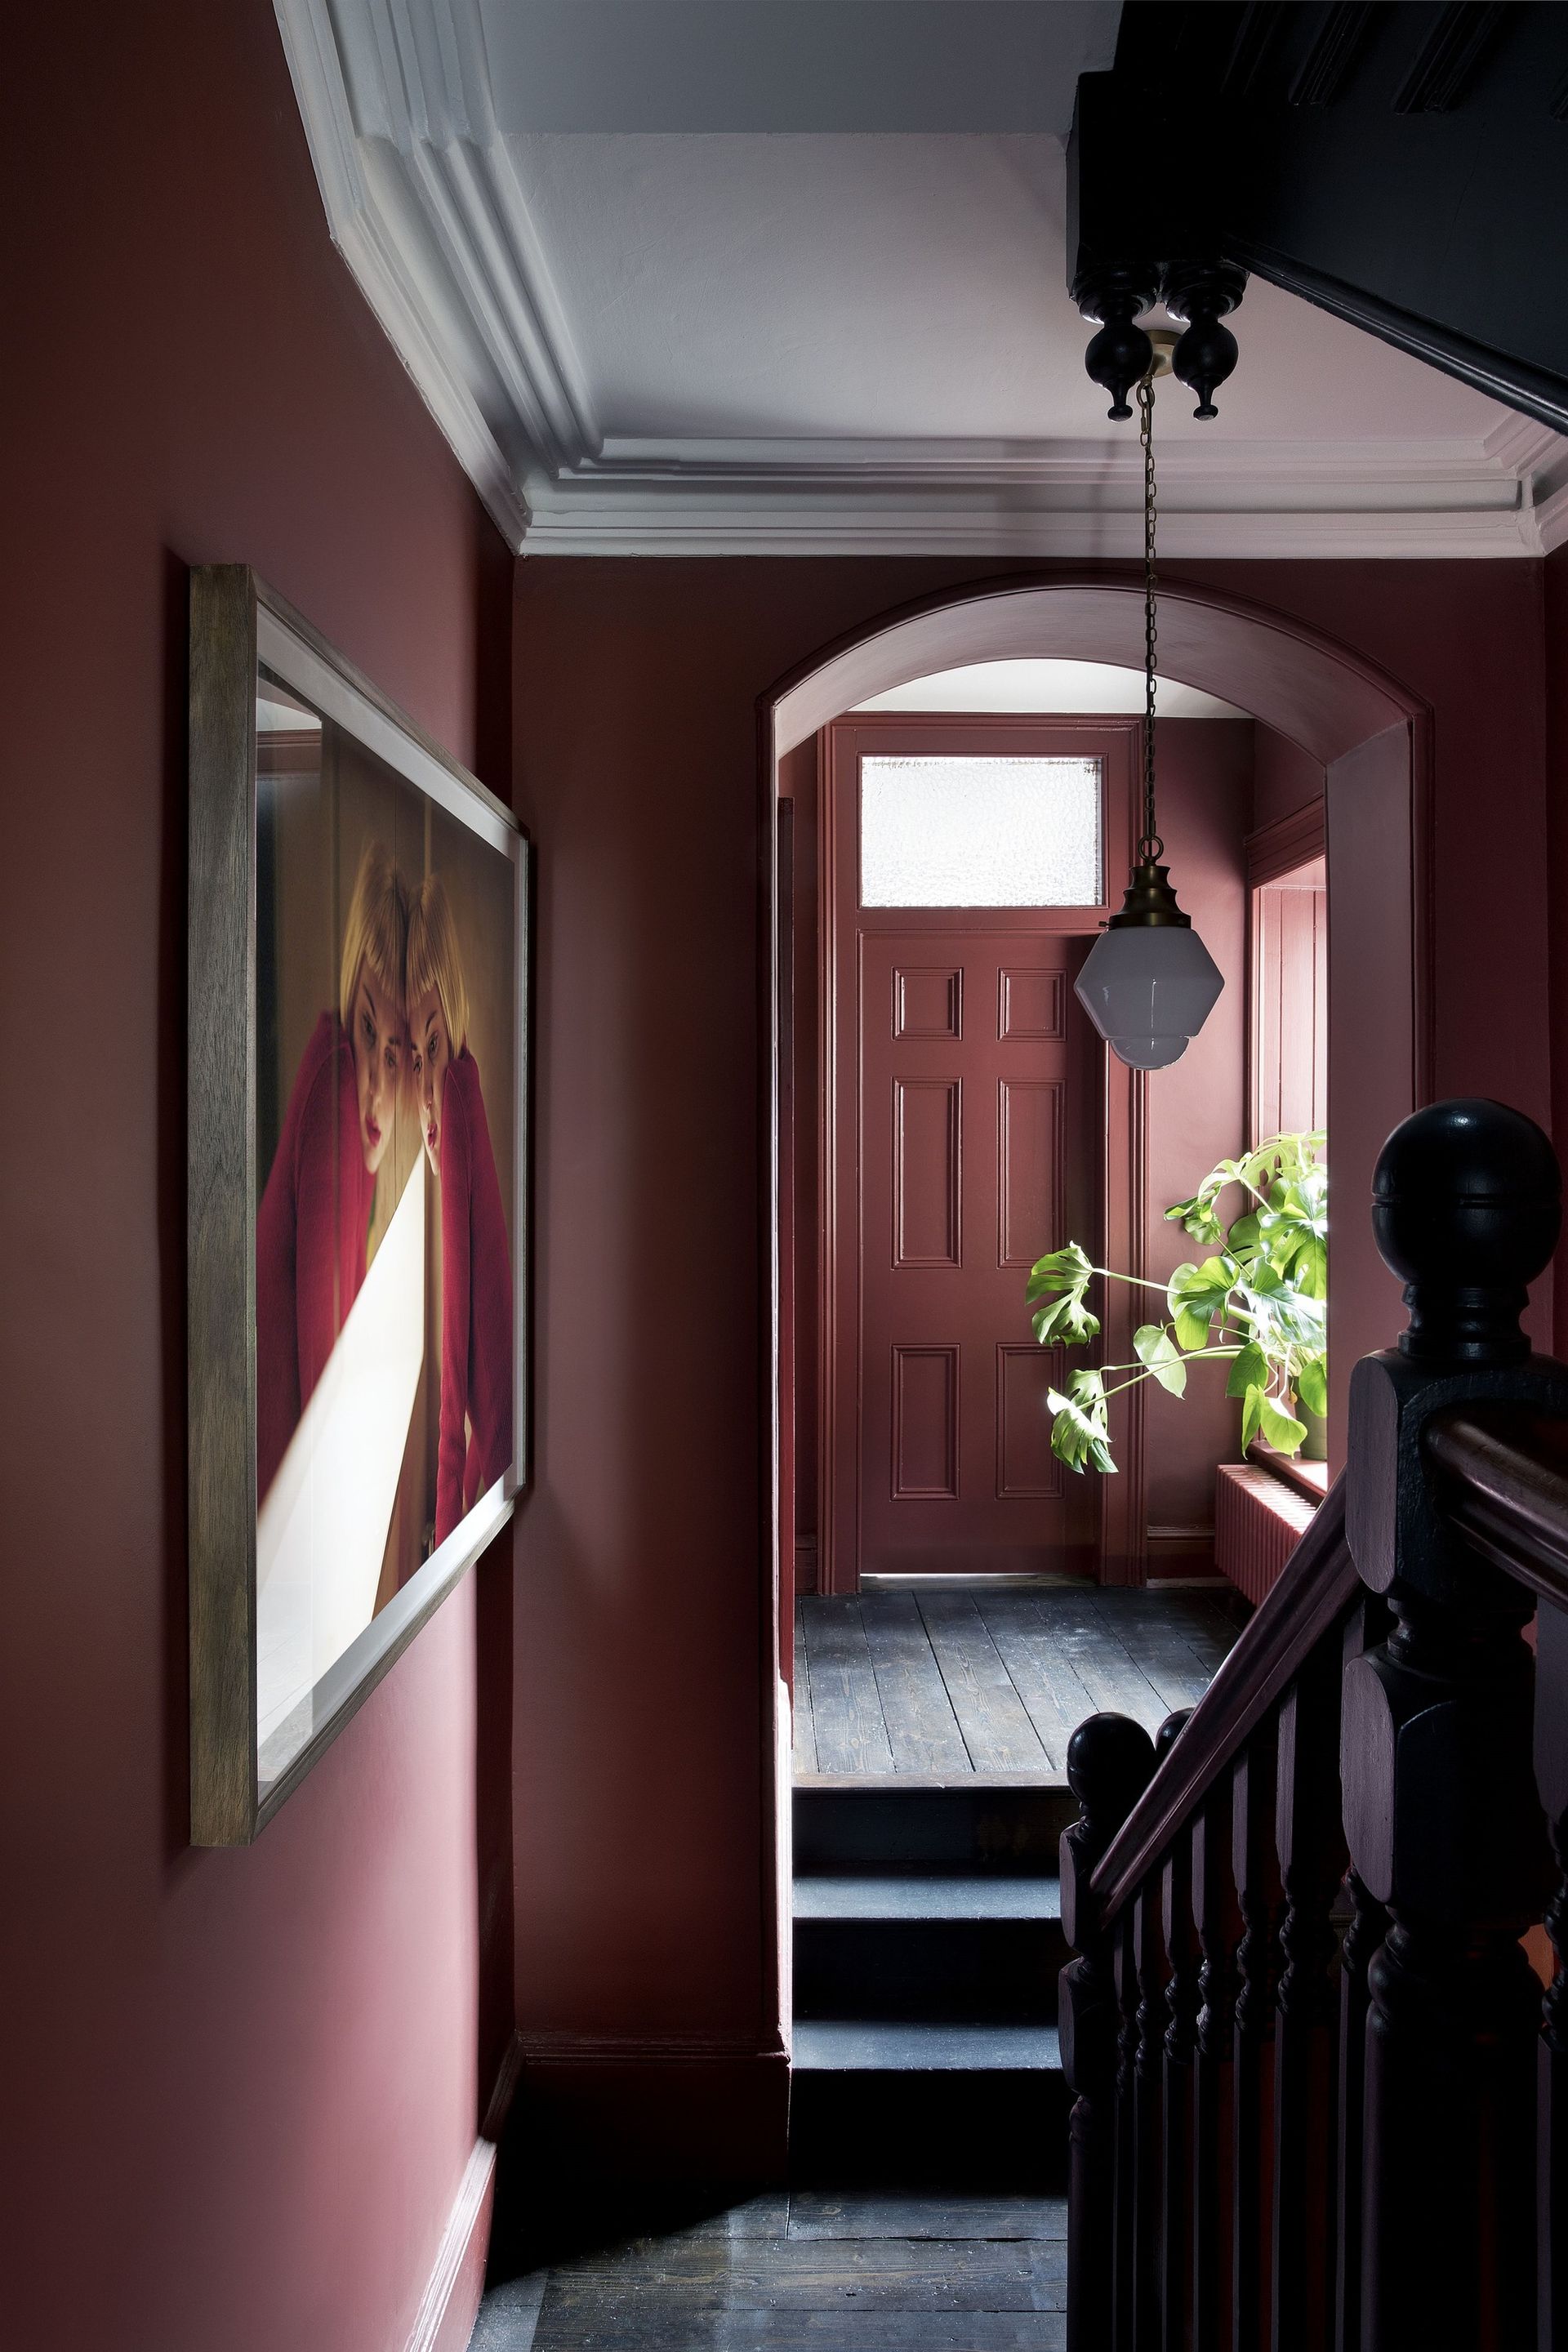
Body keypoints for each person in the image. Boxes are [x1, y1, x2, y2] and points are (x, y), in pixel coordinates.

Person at [256, 840, 407, 1501]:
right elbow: (321, 1381)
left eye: (397, 1053)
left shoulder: (342, 1082)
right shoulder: (336, 1088)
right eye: (369, 1031)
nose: (377, 1082)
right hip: (276, 1489)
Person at [405, 871, 513, 1547]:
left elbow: (455, 1365)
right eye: (414, 1058)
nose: (423, 1089)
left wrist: (445, 1535)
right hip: (496, 1430)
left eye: (433, 1046)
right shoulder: (463, 1082)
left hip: (495, 1439)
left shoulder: (454, 1094)